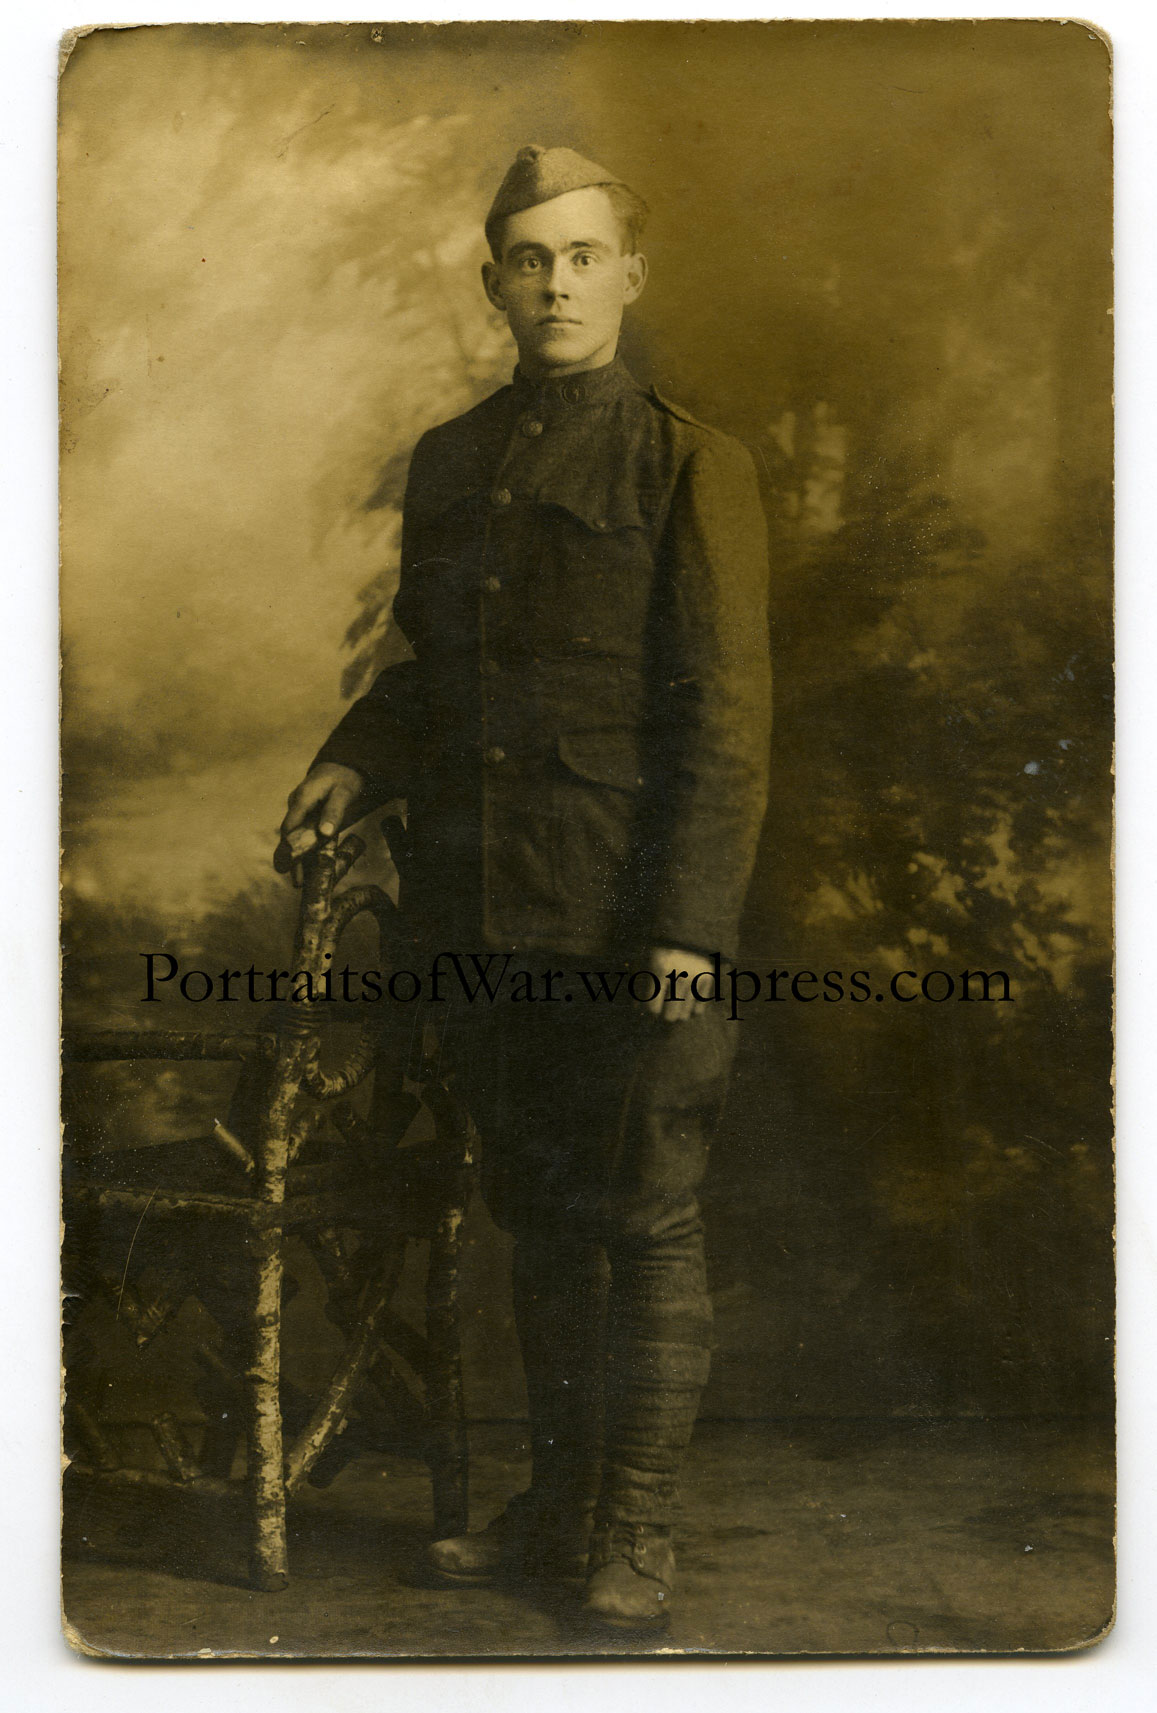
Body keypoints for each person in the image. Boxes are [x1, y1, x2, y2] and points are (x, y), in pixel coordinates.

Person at [276, 144, 771, 1632]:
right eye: (530, 259)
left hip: (629, 914)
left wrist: (688, 928)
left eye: (584, 256)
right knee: (541, 1216)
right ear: (493, 282)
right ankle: (558, 1507)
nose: (557, 284)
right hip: (488, 910)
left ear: (632, 276)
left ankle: (636, 1529)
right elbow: (433, 672)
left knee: (648, 1216)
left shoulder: (688, 461)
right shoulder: (451, 459)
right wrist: (351, 761)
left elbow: (725, 718)